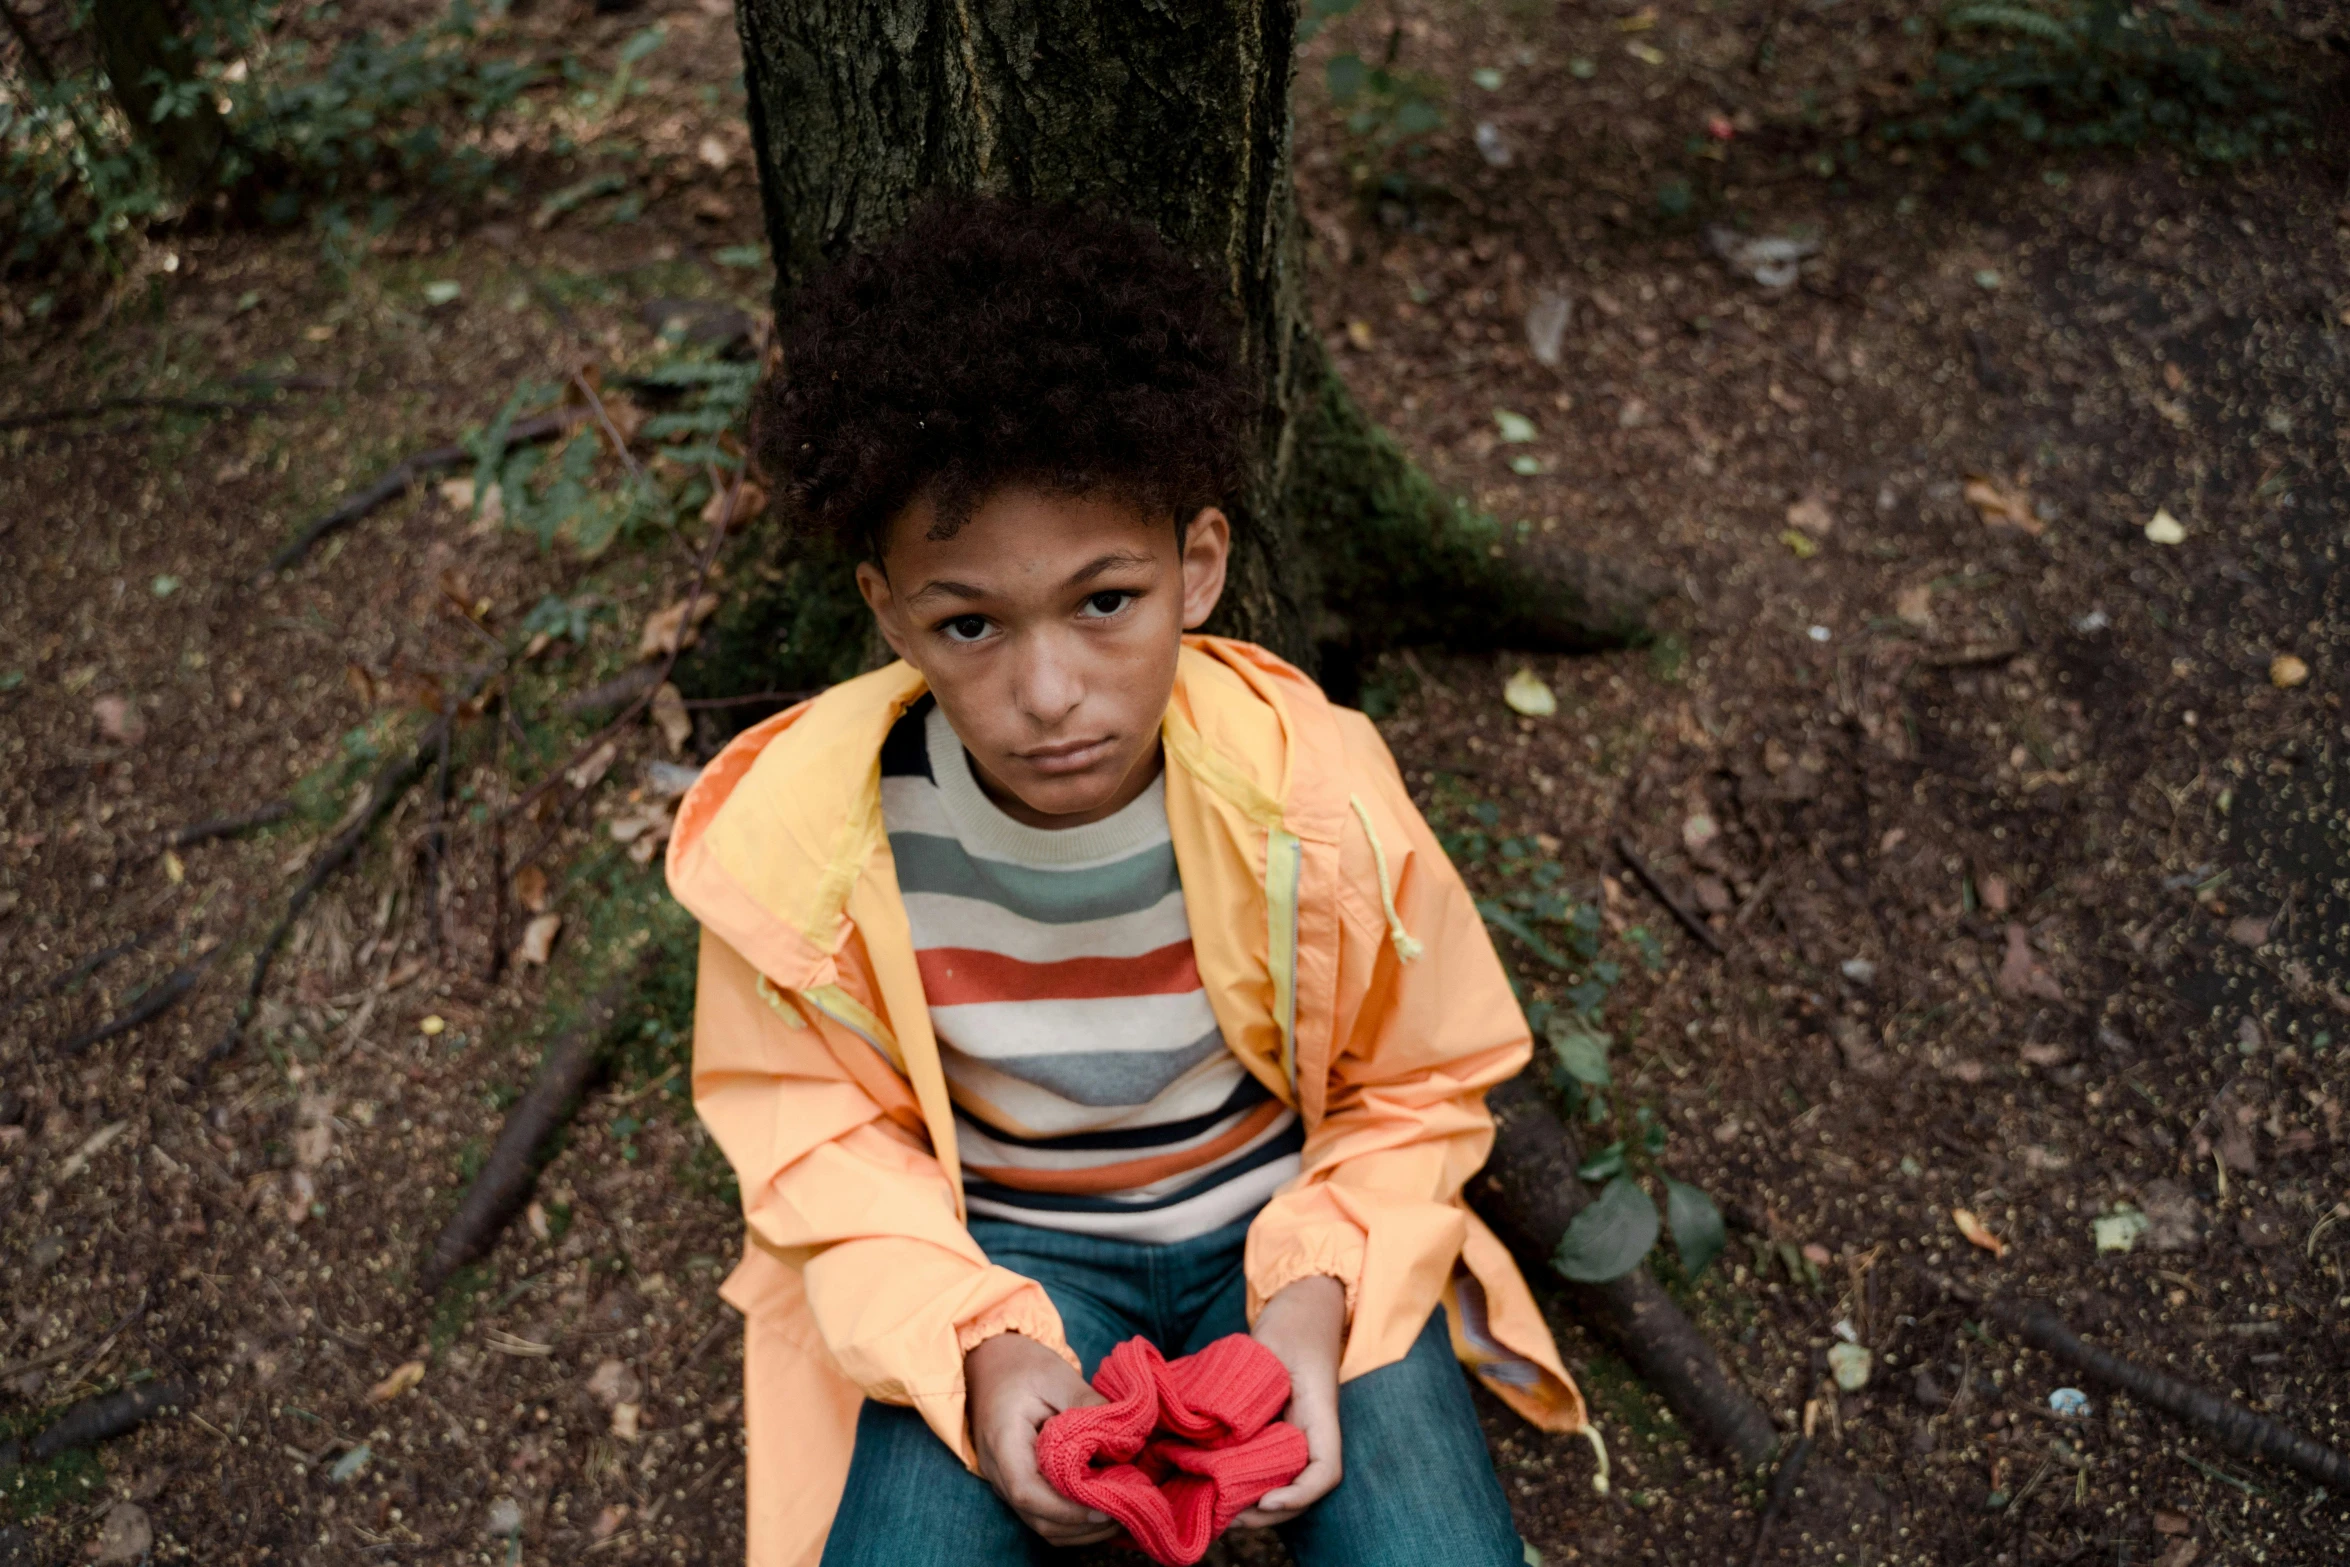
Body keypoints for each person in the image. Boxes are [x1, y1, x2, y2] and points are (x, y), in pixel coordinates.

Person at [665, 196, 1593, 1567]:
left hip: (1286, 1236)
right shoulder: (806, 847)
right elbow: (817, 1139)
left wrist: (1318, 1298)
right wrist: (975, 1350)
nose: (1048, 695)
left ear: (1197, 566)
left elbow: (1418, 1081)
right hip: (997, 1270)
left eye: (1105, 601)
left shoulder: (1311, 790)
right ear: (887, 610)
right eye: (968, 623)